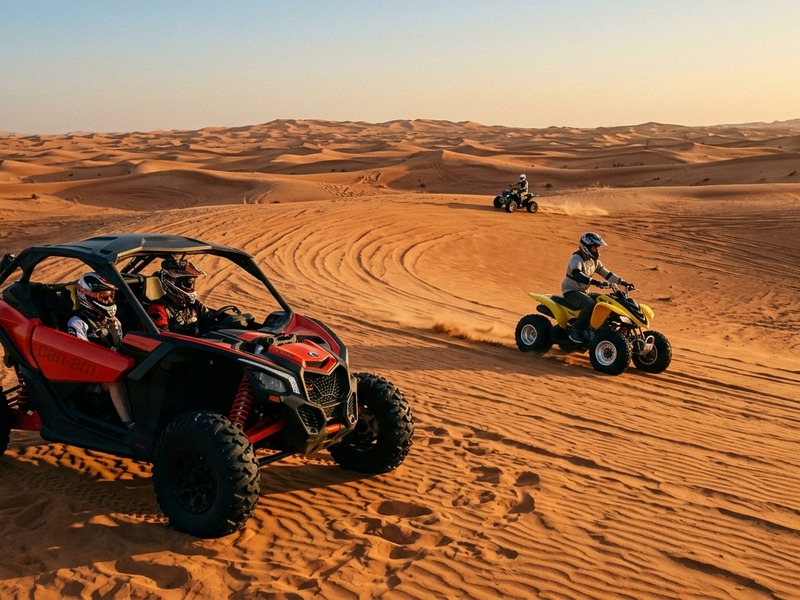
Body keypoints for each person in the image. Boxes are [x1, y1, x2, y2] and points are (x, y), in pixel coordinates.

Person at [67, 272, 134, 429]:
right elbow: (80, 357)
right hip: (88, 378)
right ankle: (129, 425)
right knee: (115, 380)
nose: (110, 300)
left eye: (111, 296)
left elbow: (119, 347)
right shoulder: (78, 323)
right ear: (88, 296)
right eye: (104, 297)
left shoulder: (113, 320)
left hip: (111, 367)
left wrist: (113, 332)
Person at [561, 232, 635, 343]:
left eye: (597, 247)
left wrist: (623, 282)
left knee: (605, 301)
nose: (597, 250)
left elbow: (607, 274)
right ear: (586, 247)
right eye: (594, 247)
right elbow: (577, 274)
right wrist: (594, 282)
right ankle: (575, 330)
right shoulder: (576, 258)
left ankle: (597, 328)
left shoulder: (594, 262)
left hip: (584, 292)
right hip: (571, 291)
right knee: (590, 304)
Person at [147, 257, 212, 336]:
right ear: (172, 283)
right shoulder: (158, 309)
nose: (191, 288)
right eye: (187, 284)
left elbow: (211, 318)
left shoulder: (194, 305)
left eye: (192, 284)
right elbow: (161, 337)